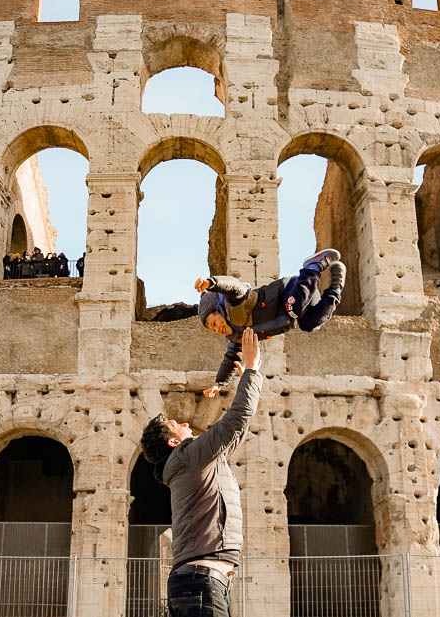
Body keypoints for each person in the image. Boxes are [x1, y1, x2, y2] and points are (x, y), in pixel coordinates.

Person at [139, 328, 262, 617]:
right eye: (176, 424)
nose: (185, 424)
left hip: (201, 582)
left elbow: (236, 431)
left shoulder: (195, 462)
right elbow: (236, 421)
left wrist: (247, 377)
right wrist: (253, 370)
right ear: (173, 442)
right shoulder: (187, 456)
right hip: (201, 582)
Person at [196, 248, 344, 397]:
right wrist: (219, 383)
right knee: (311, 324)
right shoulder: (238, 338)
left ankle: (313, 266)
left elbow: (233, 287)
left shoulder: (236, 306)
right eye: (213, 330)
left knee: (294, 308)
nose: (217, 330)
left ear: (220, 310)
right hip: (299, 304)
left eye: (215, 323)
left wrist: (211, 283)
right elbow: (230, 359)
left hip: (290, 290)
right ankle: (336, 287)